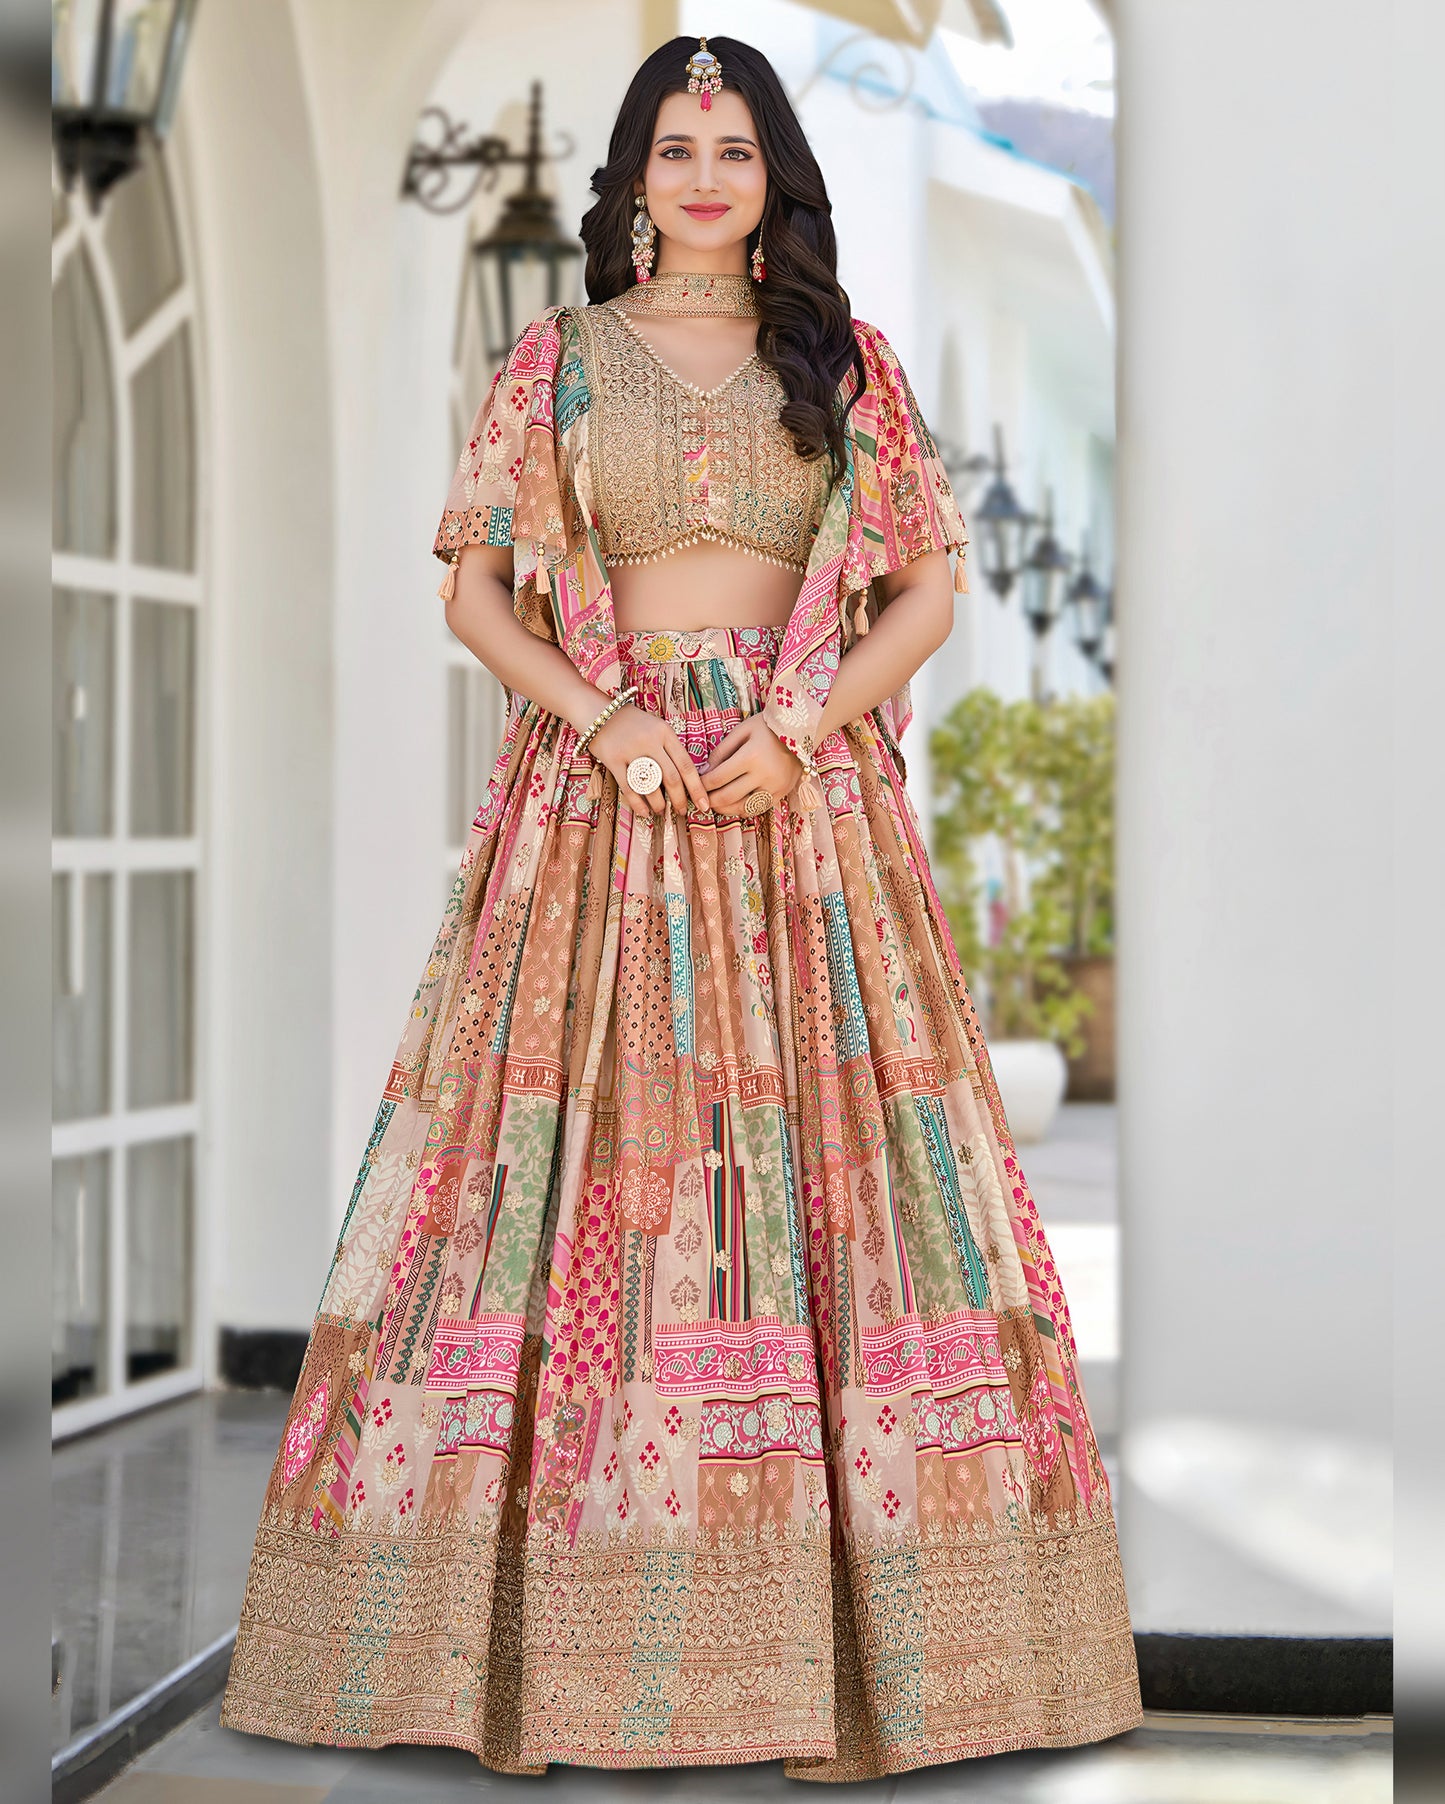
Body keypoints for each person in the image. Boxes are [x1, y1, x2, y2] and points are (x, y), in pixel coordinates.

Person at [222, 35, 1141, 1780]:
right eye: (674, 146)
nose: (704, 174)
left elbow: (925, 591)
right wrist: (608, 720)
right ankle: (511, 1642)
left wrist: (799, 724)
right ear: (633, 178)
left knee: (837, 1165)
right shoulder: (559, 360)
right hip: (602, 804)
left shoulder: (844, 362)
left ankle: (878, 1649)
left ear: (772, 174)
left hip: (806, 811)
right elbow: (477, 596)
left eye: (732, 146)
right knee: (568, 1166)